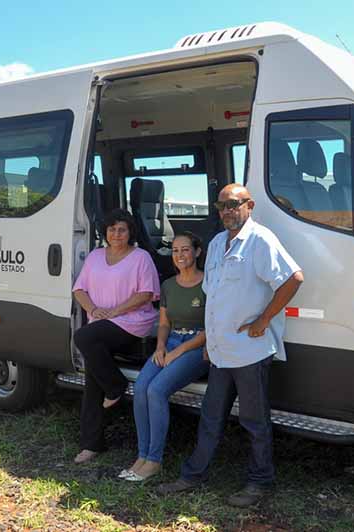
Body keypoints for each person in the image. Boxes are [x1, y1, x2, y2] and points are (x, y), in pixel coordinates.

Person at [157, 184, 304, 507]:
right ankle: (193, 475)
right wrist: (210, 342)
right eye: (221, 205)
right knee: (210, 417)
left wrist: (263, 320)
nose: (227, 211)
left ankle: (259, 481)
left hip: (250, 351)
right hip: (221, 350)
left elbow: (293, 278)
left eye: (234, 204)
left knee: (254, 420)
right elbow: (214, 300)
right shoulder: (217, 242)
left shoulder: (260, 240)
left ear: (249, 205)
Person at [71, 208, 160, 464]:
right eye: (112, 229)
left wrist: (112, 312)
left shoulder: (140, 257)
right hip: (101, 324)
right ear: (105, 232)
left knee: (83, 338)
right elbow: (79, 289)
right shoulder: (96, 256)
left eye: (122, 229)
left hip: (132, 323)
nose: (117, 234)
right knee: (92, 381)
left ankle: (116, 386)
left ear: (130, 232)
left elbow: (146, 294)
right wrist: (93, 310)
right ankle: (91, 444)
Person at [120, 231, 210, 482]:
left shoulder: (209, 283)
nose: (180, 255)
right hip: (170, 341)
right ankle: (142, 456)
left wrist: (178, 351)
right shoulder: (168, 285)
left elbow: (211, 328)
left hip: (196, 346)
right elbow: (163, 323)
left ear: (197, 252)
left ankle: (154, 461)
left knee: (157, 390)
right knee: (140, 387)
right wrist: (160, 347)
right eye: (175, 250)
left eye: (185, 250)